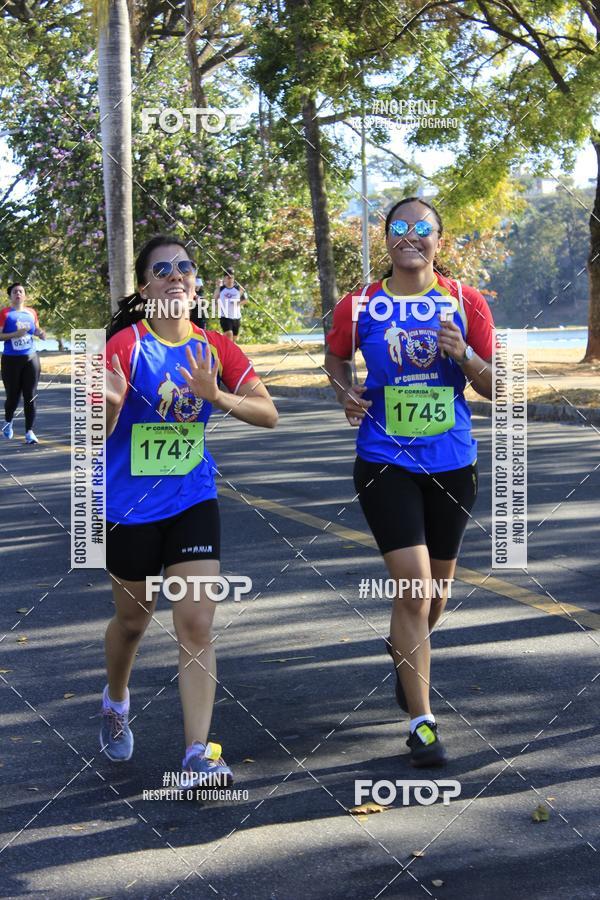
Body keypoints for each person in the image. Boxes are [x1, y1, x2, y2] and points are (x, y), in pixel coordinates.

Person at [102, 235, 278, 784]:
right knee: (133, 620)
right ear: (145, 286)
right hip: (129, 505)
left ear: (195, 281)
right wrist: (108, 404)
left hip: (192, 499)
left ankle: (196, 756)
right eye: (163, 269)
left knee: (197, 622)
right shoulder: (123, 347)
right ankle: (115, 697)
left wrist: (216, 394)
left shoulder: (216, 347)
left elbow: (268, 414)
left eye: (185, 267)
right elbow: (93, 436)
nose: (176, 275)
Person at [324, 197, 494, 767]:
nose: (410, 237)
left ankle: (405, 651)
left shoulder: (466, 301)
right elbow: (336, 357)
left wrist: (465, 355)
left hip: (452, 463)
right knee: (415, 590)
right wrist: (344, 391)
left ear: (438, 242)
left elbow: (499, 386)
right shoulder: (360, 305)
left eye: (422, 229)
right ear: (386, 238)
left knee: (436, 596)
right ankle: (422, 723)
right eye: (399, 228)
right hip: (384, 462)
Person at [0, 282, 46, 444]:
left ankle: (29, 432)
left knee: (31, 396)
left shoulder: (31, 312)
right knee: (13, 396)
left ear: (25, 295)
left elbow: (36, 329)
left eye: (21, 291)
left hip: (30, 358)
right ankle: (8, 422)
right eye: (15, 292)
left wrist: (41, 333)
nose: (18, 294)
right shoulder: (5, 314)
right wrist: (15, 334)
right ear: (10, 296)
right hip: (11, 360)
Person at [215, 269, 248, 342]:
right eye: (228, 278)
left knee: (234, 340)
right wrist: (217, 305)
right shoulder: (220, 289)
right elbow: (214, 299)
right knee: (229, 334)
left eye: (232, 277)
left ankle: (229, 351)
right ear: (224, 278)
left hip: (236, 317)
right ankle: (226, 350)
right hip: (225, 316)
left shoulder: (239, 288)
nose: (230, 280)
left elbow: (246, 300)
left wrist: (238, 303)